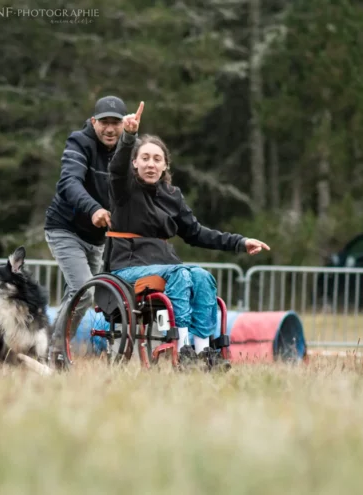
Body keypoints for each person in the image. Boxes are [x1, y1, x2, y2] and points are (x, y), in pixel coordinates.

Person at [106, 102, 270, 369]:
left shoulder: (173, 196)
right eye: (144, 158)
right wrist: (128, 137)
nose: (150, 164)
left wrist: (240, 242)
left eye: (157, 159)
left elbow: (197, 233)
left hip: (165, 267)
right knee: (180, 273)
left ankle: (203, 350)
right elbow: (116, 168)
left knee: (202, 275)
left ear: (165, 165)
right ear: (134, 163)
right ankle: (182, 346)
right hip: (128, 268)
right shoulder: (124, 190)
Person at [44, 96, 127, 339]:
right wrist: (94, 209)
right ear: (93, 122)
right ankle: (54, 350)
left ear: (125, 125)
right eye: (104, 122)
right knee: (84, 292)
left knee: (80, 294)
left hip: (99, 238)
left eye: (116, 123)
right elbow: (69, 182)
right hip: (65, 229)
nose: (110, 129)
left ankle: (49, 348)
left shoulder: (130, 149)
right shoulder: (79, 141)